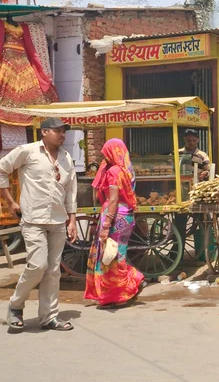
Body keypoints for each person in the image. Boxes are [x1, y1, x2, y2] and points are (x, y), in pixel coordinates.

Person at [1, 118, 77, 332]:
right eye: (58, 131)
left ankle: (49, 317)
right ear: (44, 132)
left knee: (53, 271)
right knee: (37, 265)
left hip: (58, 220)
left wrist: (72, 219)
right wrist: (10, 201)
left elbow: (70, 190)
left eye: (64, 131)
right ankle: (16, 306)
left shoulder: (66, 157)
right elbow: (2, 169)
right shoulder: (28, 151)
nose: (62, 134)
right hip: (33, 219)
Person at [84, 139, 145, 309]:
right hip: (127, 217)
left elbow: (113, 200)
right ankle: (129, 284)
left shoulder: (113, 172)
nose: (104, 156)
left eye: (105, 153)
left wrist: (105, 226)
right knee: (118, 255)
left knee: (110, 258)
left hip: (115, 217)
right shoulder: (127, 170)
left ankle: (118, 295)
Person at [0, 19, 58, 124]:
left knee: (29, 81)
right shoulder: (2, 24)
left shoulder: (23, 26)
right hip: (8, 54)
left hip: (22, 55)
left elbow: (28, 43)